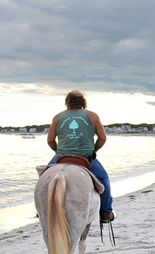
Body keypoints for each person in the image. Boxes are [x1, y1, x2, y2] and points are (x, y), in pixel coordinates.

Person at [46, 90, 114, 222]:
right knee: (103, 179)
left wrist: (58, 151)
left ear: (67, 101)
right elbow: (102, 138)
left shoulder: (57, 117)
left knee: (44, 177)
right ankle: (106, 211)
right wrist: (94, 150)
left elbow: (50, 140)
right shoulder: (93, 116)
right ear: (83, 101)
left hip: (61, 158)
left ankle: (41, 209)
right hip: (85, 158)